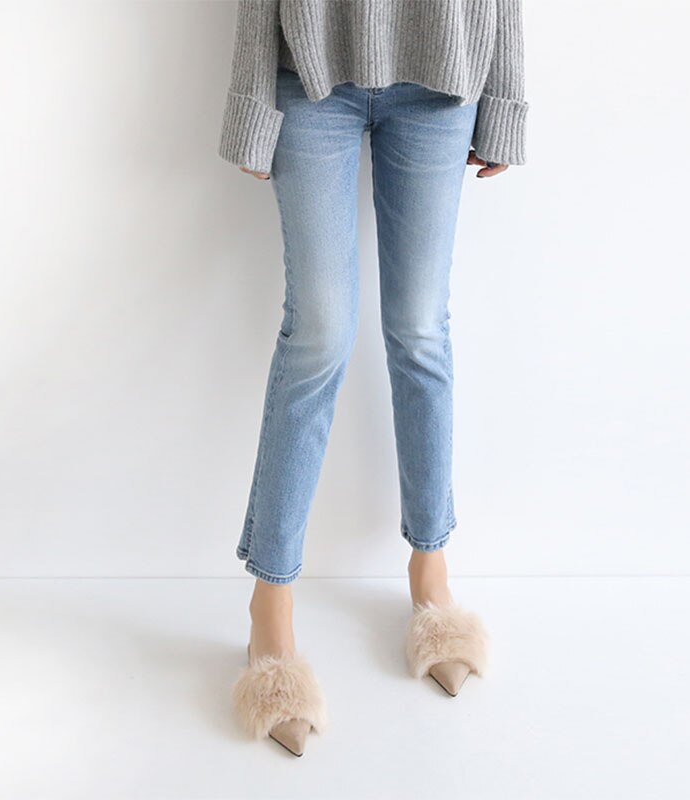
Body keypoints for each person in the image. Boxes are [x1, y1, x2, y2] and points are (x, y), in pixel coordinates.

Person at [218, 0, 528, 756]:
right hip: (311, 69)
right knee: (318, 335)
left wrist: (506, 96)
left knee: (421, 331)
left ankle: (431, 575)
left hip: (442, 71)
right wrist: (252, 96)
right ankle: (270, 607)